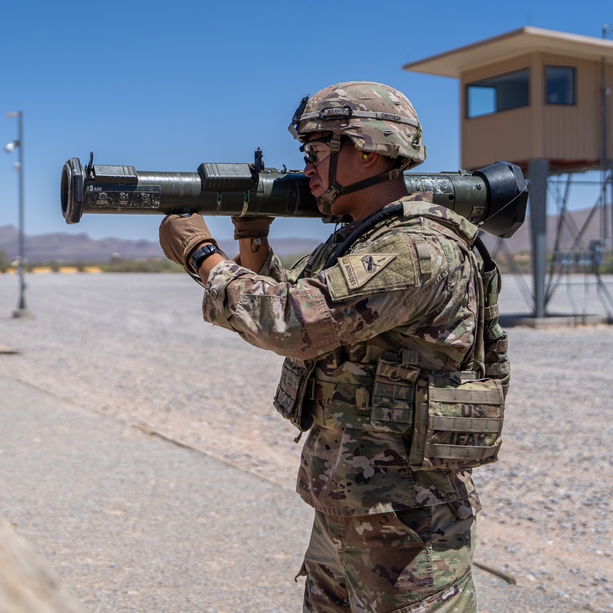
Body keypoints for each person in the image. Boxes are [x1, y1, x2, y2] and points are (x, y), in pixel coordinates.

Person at [158, 82, 509, 612]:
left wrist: (201, 256)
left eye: (318, 152)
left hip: (407, 525)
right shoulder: (361, 239)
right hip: (350, 505)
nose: (307, 169)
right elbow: (288, 311)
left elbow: (290, 323)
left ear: (367, 151)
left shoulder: (415, 249)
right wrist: (253, 235)